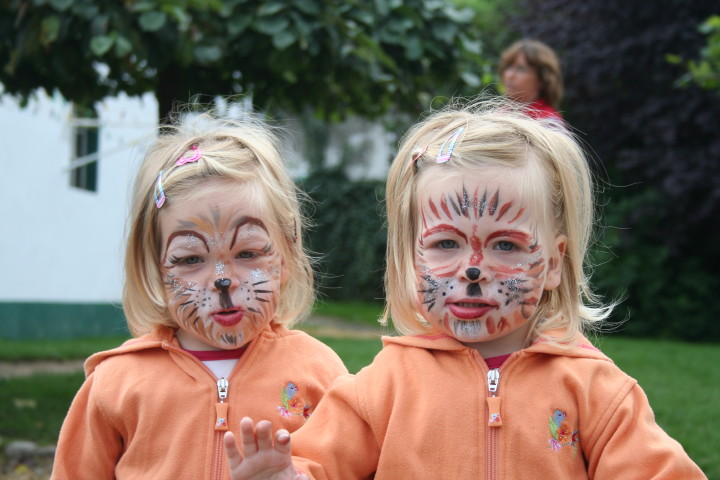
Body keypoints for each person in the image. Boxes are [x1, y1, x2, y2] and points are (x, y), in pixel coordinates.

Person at [223, 98, 707, 479]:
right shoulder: (384, 385)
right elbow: (319, 465)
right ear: (411, 257)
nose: (472, 269)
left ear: (555, 263)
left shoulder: (596, 392)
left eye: (506, 245)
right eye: (446, 243)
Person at [50, 111, 348, 480]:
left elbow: (352, 466)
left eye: (248, 253)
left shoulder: (319, 372)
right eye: (191, 258)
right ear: (156, 269)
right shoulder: (116, 384)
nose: (222, 281)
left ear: (285, 256)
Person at [499, 38, 564, 122]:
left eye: (521, 69)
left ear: (543, 79)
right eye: (508, 67)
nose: (510, 75)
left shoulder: (548, 124)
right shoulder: (501, 113)